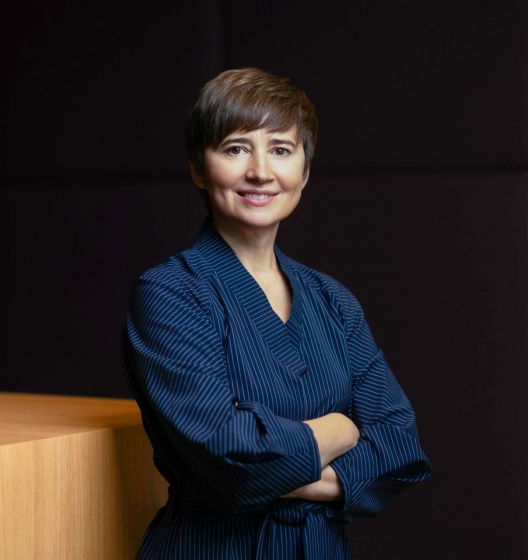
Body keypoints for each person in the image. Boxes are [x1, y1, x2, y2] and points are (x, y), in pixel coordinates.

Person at [123, 68, 432, 559]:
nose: (261, 172)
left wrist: (275, 468)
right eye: (236, 148)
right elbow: (228, 458)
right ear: (199, 168)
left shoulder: (332, 299)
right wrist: (341, 429)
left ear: (304, 172)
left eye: (282, 150)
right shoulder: (169, 293)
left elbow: (399, 445)